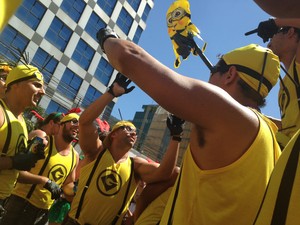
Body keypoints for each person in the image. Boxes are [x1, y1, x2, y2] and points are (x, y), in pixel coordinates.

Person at [97, 28, 282, 225]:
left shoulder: (227, 114)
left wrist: (106, 36)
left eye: (214, 70)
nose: (209, 78)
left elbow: (127, 56)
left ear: (230, 74)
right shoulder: (272, 140)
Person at [62, 73, 184, 225]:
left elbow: (165, 173)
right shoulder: (96, 152)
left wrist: (176, 136)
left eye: (135, 131)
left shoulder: (135, 166)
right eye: (127, 128)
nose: (133, 132)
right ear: (113, 134)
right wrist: (111, 93)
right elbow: (85, 121)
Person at [0, 113, 80, 225]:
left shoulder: (75, 156)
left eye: (80, 124)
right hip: (20, 202)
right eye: (74, 121)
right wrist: (44, 181)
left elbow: (68, 184)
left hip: (43, 213)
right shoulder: (43, 141)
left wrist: (77, 191)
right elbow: (18, 171)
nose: (78, 126)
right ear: (62, 124)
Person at [247, 18, 300, 148]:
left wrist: (275, 23)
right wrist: (255, 117)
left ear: (290, 32)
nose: (269, 43)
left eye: (273, 35)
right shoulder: (284, 83)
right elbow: (289, 127)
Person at [0, 64, 45, 214]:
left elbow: (14, 172)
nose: (43, 92)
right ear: (16, 84)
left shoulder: (21, 122)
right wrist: (13, 161)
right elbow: (11, 162)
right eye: (37, 85)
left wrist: (28, 157)